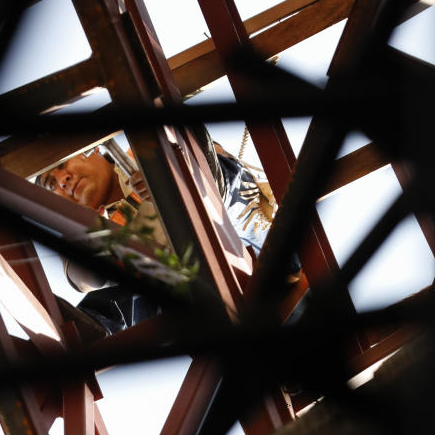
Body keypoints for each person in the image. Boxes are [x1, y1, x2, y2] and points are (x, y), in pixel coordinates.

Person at [37, 140, 301, 334]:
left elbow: (214, 167)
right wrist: (97, 235)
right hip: (195, 290)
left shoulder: (141, 147)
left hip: (245, 240)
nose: (63, 179)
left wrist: (172, 183)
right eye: (51, 184)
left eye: (62, 165)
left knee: (211, 184)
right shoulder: (84, 231)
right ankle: (90, 332)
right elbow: (85, 278)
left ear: (91, 149)